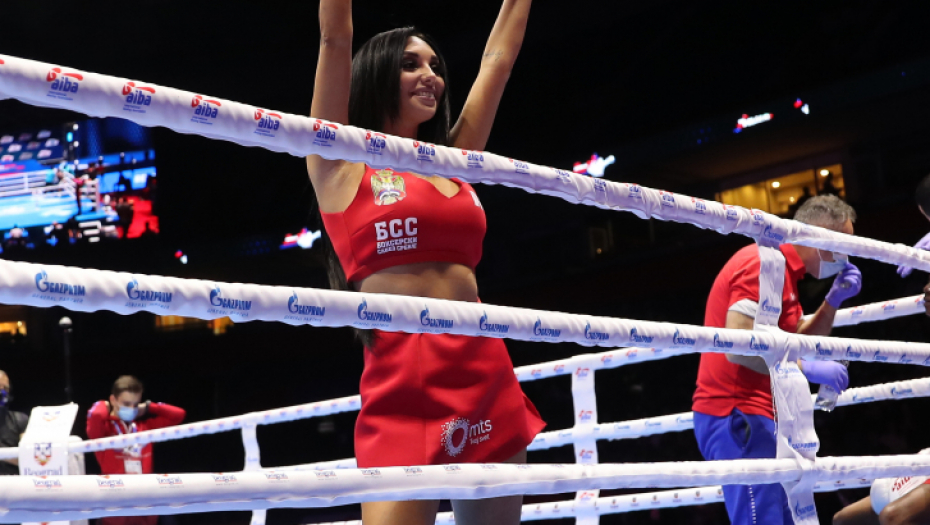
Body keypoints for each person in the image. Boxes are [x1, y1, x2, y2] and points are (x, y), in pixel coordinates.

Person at [306, 2, 541, 524]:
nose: (430, 75)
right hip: (402, 385)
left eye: (435, 65)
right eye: (411, 64)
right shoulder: (337, 164)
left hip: (484, 372)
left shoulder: (452, 159)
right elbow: (335, 38)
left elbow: (498, 61)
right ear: (376, 75)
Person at [692, 195, 863, 525]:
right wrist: (807, 368)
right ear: (816, 236)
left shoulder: (786, 274)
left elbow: (798, 341)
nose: (846, 256)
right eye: (842, 244)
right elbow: (738, 346)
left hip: (765, 412)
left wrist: (833, 301)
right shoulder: (761, 262)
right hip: (734, 411)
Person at [86, 376, 185, 525]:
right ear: (113, 400)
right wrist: (104, 404)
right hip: (115, 512)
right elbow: (96, 414)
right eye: (126, 404)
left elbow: (178, 415)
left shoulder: (145, 429)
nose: (131, 409)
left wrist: (149, 407)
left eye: (135, 404)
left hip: (144, 509)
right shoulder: (104, 430)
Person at [0, 370, 29, 476]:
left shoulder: (19, 419)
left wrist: (4, 455)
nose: (2, 392)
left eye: (5, 388)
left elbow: (28, 460)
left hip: (12, 480)